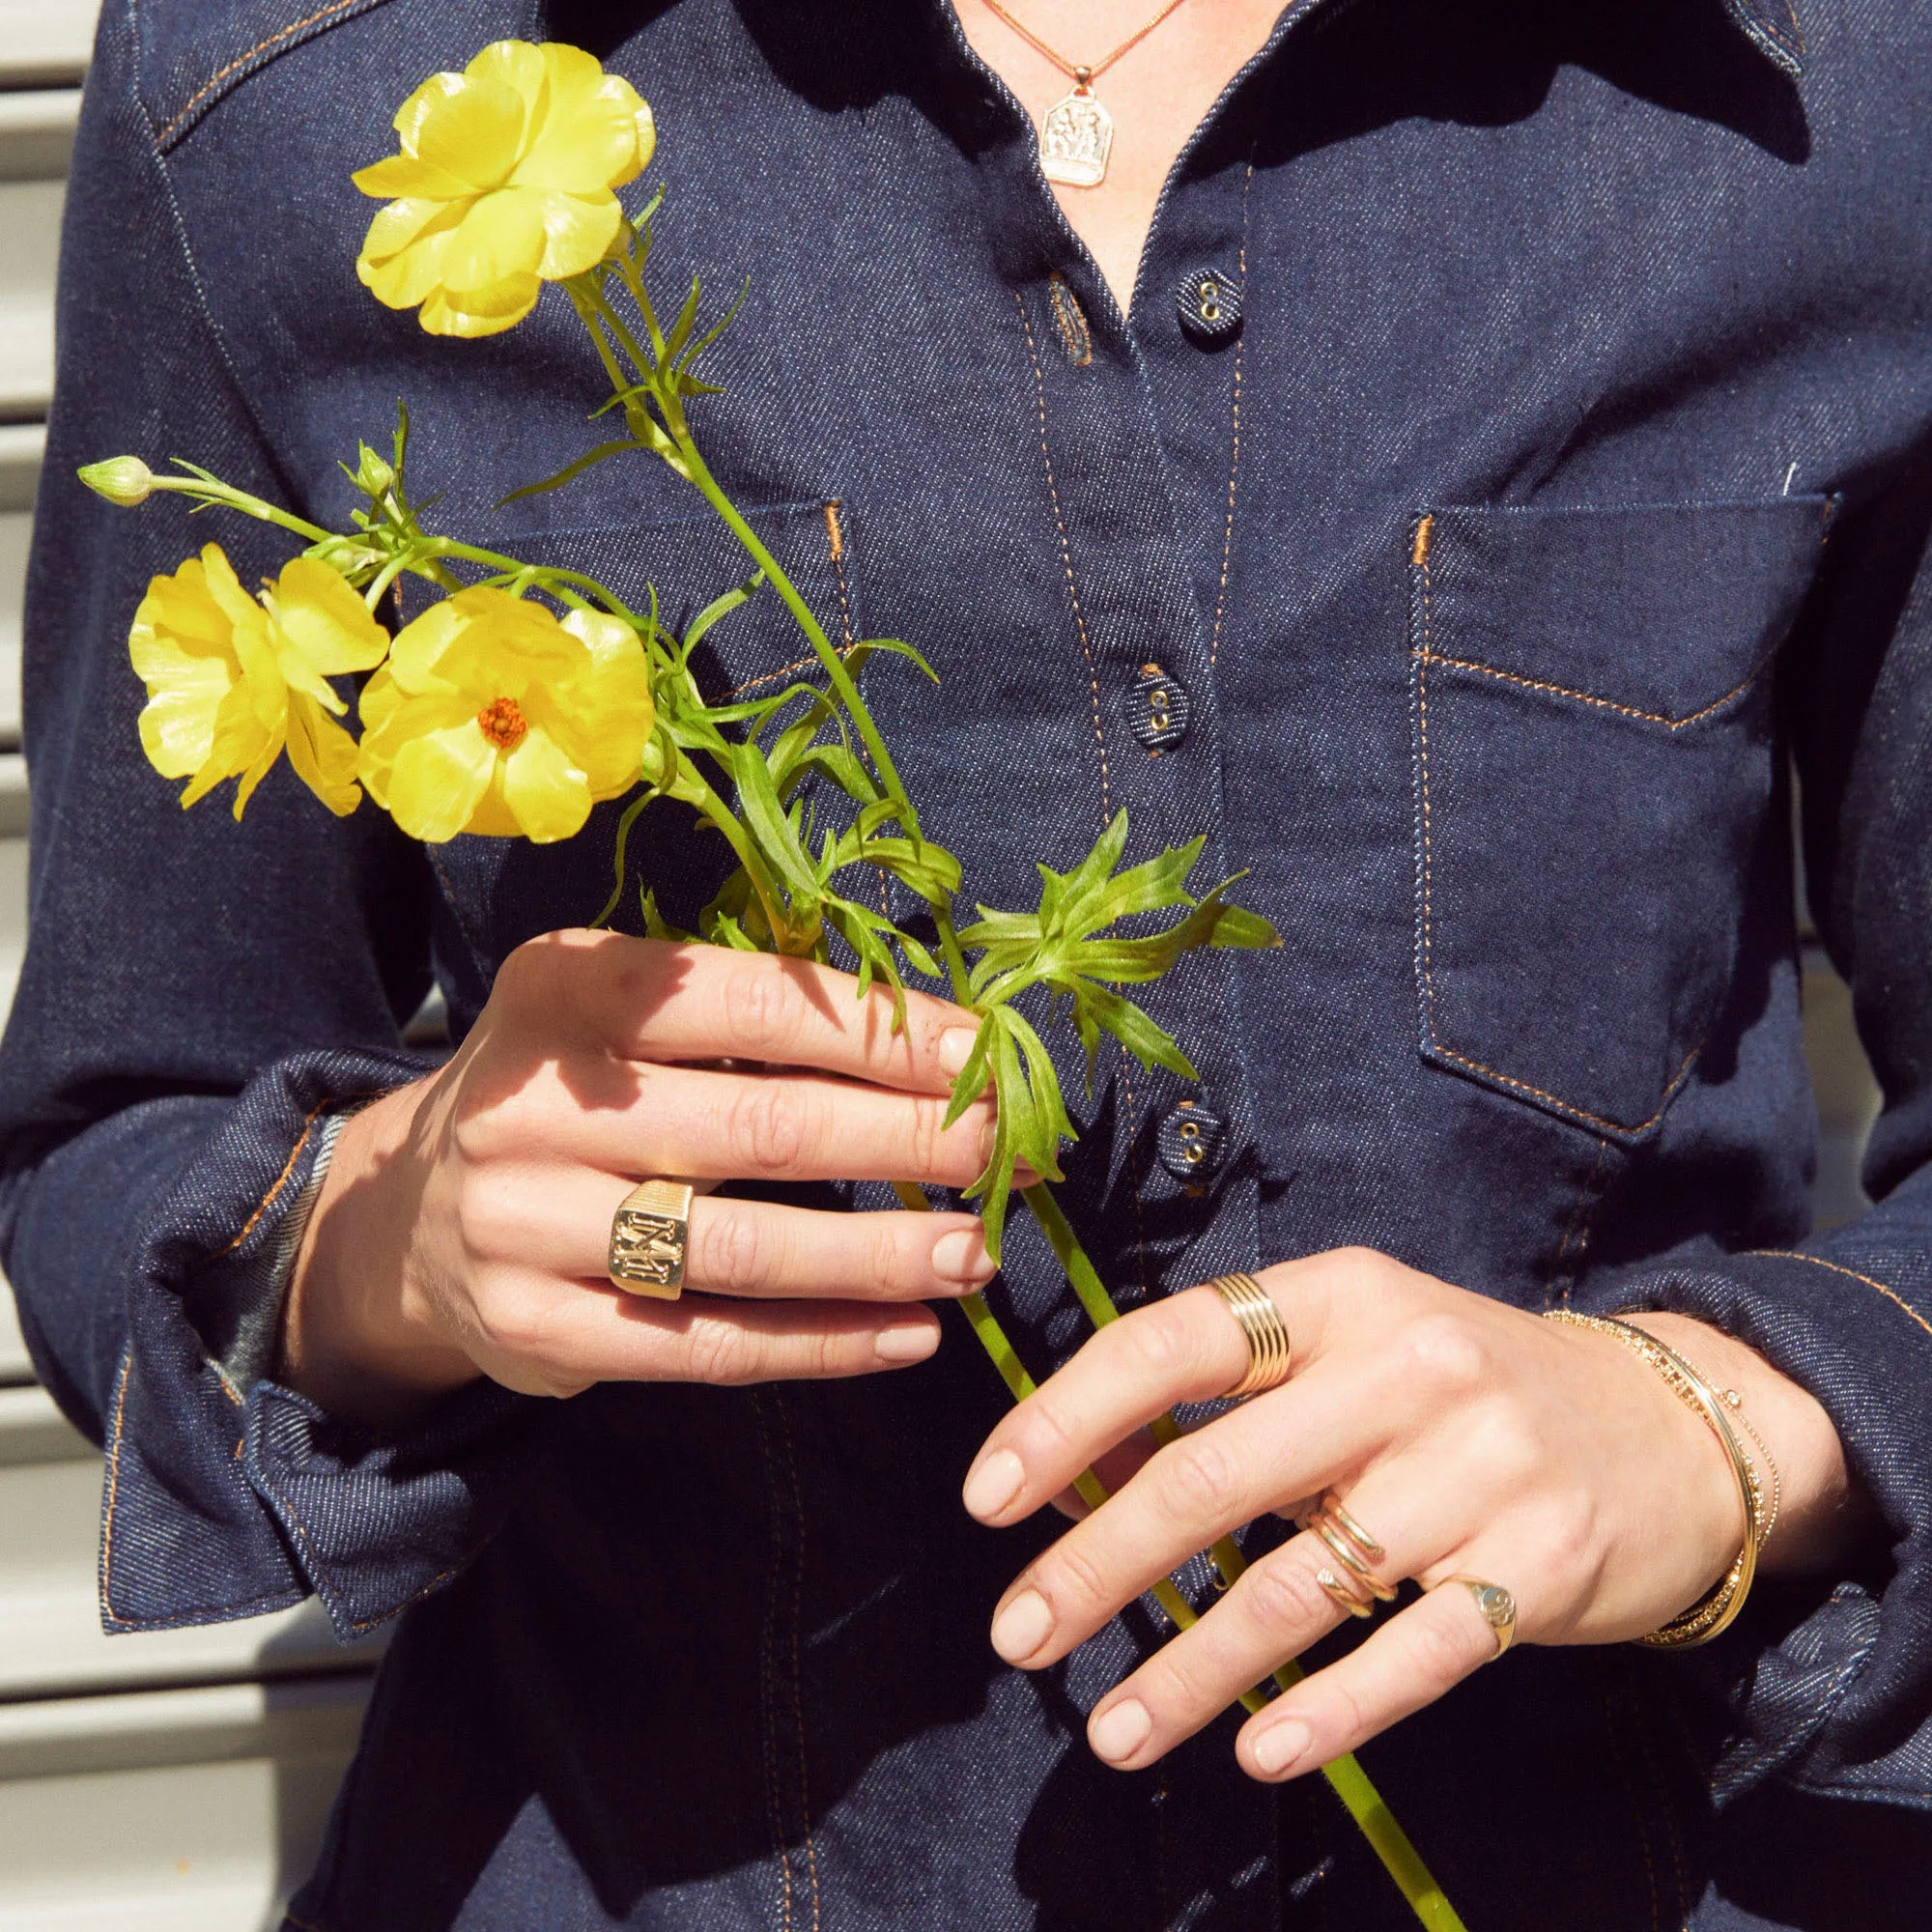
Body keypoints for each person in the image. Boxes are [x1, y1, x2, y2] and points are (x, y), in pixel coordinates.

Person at [5, 0, 1930, 1925]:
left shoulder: (1833, 77)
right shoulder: (290, 82)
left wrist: (1720, 1427)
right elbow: (111, 1136)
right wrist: (388, 1236)